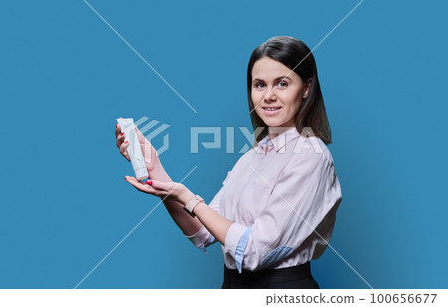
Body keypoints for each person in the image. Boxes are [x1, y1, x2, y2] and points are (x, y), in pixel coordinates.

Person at [115, 36, 342, 289]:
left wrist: (187, 196)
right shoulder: (252, 157)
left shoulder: (310, 156)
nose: (268, 95)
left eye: (282, 83)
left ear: (306, 88)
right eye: (259, 85)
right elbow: (202, 230)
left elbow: (254, 252)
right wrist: (155, 168)